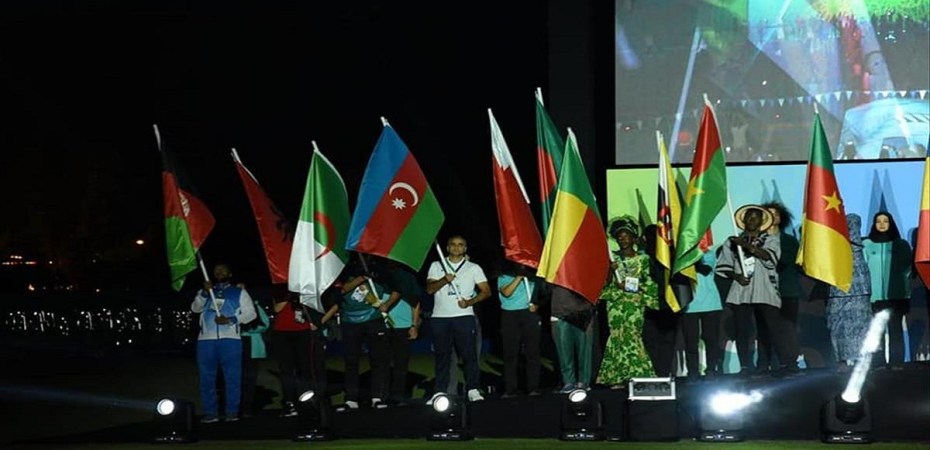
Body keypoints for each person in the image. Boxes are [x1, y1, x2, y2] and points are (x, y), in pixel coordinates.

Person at [716, 205, 790, 376]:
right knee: (742, 330)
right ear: (743, 219)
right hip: (741, 290)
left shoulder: (770, 239)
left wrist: (747, 246)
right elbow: (723, 266)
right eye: (749, 216)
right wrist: (736, 276)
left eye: (756, 217)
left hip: (765, 289)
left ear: (762, 220)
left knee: (771, 327)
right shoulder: (732, 242)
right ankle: (744, 367)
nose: (752, 220)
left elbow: (769, 257)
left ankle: (780, 364)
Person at [426, 235, 491, 403]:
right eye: (453, 244)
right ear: (447, 248)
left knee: (469, 355)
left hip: (464, 316)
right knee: (442, 357)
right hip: (440, 317)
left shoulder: (473, 267)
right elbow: (429, 289)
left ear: (465, 248)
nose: (456, 247)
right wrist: (444, 280)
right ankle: (439, 391)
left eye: (460, 245)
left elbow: (486, 291)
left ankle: (473, 389)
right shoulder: (437, 265)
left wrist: (469, 302)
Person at [191, 263, 258, 423]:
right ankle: (210, 413)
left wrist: (231, 320)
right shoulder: (206, 291)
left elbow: (251, 314)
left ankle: (232, 412)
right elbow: (195, 308)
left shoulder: (239, 291)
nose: (219, 271)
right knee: (207, 378)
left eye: (223, 269)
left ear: (230, 273)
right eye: (216, 270)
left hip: (231, 340)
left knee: (232, 377)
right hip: (206, 341)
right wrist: (204, 293)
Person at [596, 216, 657, 387]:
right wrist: (610, 271)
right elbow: (604, 283)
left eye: (626, 236)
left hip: (634, 304)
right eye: (619, 237)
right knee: (617, 336)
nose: (622, 240)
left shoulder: (643, 259)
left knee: (632, 335)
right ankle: (617, 377)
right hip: (615, 304)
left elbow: (649, 285)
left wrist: (628, 285)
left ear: (633, 238)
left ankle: (639, 375)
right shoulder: (612, 259)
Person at [335, 257, 394, 411]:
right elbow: (340, 291)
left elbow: (398, 288)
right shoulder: (341, 271)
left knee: (377, 360)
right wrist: (361, 279)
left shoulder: (379, 270)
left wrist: (387, 304)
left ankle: (377, 397)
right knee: (351, 362)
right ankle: (351, 399)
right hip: (350, 321)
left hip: (373, 320)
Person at [271, 285, 337, 418]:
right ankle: (289, 402)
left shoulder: (307, 287)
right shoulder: (280, 288)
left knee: (306, 368)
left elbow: (328, 305)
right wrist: (290, 294)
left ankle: (308, 401)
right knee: (286, 369)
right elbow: (277, 308)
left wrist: (318, 322)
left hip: (303, 332)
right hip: (282, 332)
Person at [863, 212, 913, 368]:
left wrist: (906, 292)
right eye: (878, 221)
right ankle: (878, 363)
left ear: (891, 223)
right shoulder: (867, 245)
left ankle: (897, 362)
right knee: (876, 331)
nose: (882, 224)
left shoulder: (901, 245)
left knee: (895, 330)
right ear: (874, 224)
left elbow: (908, 270)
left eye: (885, 221)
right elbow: (863, 270)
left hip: (896, 296)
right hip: (874, 297)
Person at [826, 214, 872, 369]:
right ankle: (841, 361)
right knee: (838, 327)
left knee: (860, 329)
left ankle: (860, 361)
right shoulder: (832, 246)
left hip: (859, 293)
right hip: (838, 292)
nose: (850, 229)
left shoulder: (862, 246)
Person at [760, 201, 802, 372]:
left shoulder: (789, 241)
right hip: (763, 292)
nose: (772, 217)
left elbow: (787, 261)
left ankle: (790, 362)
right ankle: (764, 363)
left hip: (787, 291)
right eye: (768, 214)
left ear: (781, 218)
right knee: (765, 328)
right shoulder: (755, 240)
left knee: (787, 327)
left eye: (775, 214)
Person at [640, 223, 685, 378]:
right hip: (649, 307)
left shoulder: (670, 257)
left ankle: (663, 375)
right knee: (651, 342)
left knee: (667, 342)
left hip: (668, 305)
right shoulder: (642, 258)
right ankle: (654, 375)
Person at [377, 259, 422, 405]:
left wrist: (414, 325)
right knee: (382, 364)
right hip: (383, 326)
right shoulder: (378, 276)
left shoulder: (408, 277)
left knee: (401, 365)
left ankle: (399, 396)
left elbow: (416, 303)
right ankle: (381, 397)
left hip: (403, 326)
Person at [497, 262, 542, 397]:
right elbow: (507, 293)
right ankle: (510, 389)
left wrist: (537, 305)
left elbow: (541, 296)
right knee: (510, 353)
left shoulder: (534, 278)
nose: (521, 266)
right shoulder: (504, 277)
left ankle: (533, 388)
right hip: (510, 316)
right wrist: (519, 277)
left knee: (533, 352)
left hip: (529, 315)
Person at [681, 250, 723, 378]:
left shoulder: (708, 253)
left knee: (711, 339)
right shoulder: (681, 254)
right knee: (690, 341)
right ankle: (693, 372)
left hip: (710, 303)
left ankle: (711, 370)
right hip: (689, 303)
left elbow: (705, 269)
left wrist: (692, 257)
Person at [240, 295, 270, 418]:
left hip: (251, 345)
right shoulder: (231, 304)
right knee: (237, 378)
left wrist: (247, 329)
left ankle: (248, 406)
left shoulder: (255, 306)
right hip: (236, 344)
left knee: (250, 378)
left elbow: (265, 324)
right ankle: (236, 405)